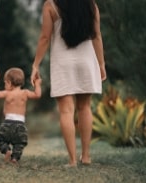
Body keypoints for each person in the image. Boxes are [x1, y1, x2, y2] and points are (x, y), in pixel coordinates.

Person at [31, 0, 107, 167]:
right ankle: (86, 157)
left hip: (63, 62)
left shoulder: (50, 5)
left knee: (66, 111)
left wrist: (36, 64)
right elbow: (97, 35)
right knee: (85, 107)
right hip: (86, 61)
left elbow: (45, 37)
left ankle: (72, 161)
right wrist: (101, 64)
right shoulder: (90, 5)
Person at [0, 67, 42, 164]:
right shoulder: (25, 93)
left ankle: (7, 150)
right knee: (19, 144)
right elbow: (37, 95)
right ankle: (14, 158)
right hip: (20, 125)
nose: (5, 85)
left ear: (9, 83)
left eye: (5, 82)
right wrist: (37, 84)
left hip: (7, 123)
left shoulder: (7, 93)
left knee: (0, 139)